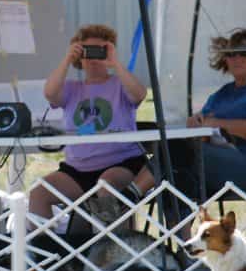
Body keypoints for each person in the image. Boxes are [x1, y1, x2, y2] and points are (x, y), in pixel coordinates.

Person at [28, 24, 153, 226]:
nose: (94, 58)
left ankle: (117, 251)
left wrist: (116, 63)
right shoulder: (71, 88)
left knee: (106, 186)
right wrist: (67, 59)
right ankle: (48, 254)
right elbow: (50, 93)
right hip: (77, 169)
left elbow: (139, 94)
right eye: (87, 52)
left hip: (120, 163)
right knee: (39, 194)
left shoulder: (120, 84)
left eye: (100, 52)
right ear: (79, 57)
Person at [161, 28, 246, 209]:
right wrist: (195, 125)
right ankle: (181, 235)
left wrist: (214, 124)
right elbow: (202, 135)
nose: (237, 59)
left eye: (244, 53)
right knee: (177, 174)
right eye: (231, 54)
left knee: (175, 154)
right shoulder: (221, 95)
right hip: (215, 163)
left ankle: (130, 195)